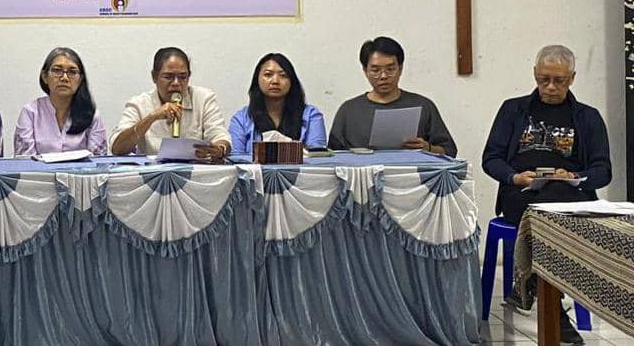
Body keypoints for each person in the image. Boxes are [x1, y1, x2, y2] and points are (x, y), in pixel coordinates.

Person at [482, 45, 606, 346]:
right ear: (535, 74)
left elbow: (603, 170)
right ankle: (557, 316)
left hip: (568, 195)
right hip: (521, 191)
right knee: (541, 212)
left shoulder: (587, 117)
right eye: (543, 79)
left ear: (572, 78)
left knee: (555, 203)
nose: (550, 87)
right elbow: (491, 158)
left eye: (559, 81)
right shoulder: (513, 110)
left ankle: (529, 283)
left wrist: (574, 177)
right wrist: (514, 177)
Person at [328, 36, 457, 156]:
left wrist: (428, 148)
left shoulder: (422, 105)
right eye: (375, 70)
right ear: (365, 70)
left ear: (400, 69)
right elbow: (332, 156)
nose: (383, 76)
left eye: (390, 69)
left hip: (411, 172)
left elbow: (449, 151)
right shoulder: (348, 110)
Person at [109, 47, 231, 162]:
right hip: (153, 173)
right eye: (168, 77)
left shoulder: (204, 98)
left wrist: (220, 149)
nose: (176, 83)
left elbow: (220, 136)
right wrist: (151, 118)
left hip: (196, 171)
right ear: (154, 77)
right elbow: (117, 148)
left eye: (182, 77)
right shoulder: (139, 104)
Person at [229, 53, 326, 157]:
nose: (275, 81)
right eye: (268, 75)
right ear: (257, 80)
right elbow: (236, 159)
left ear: (292, 81)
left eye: (283, 75)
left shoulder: (311, 116)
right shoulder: (241, 119)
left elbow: (317, 157)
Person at [14, 47, 107, 156]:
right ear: (45, 76)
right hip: (38, 168)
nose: (64, 78)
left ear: (80, 79)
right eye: (57, 70)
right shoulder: (30, 112)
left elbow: (98, 160)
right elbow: (24, 160)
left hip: (82, 168)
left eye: (72, 72)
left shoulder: (91, 115)